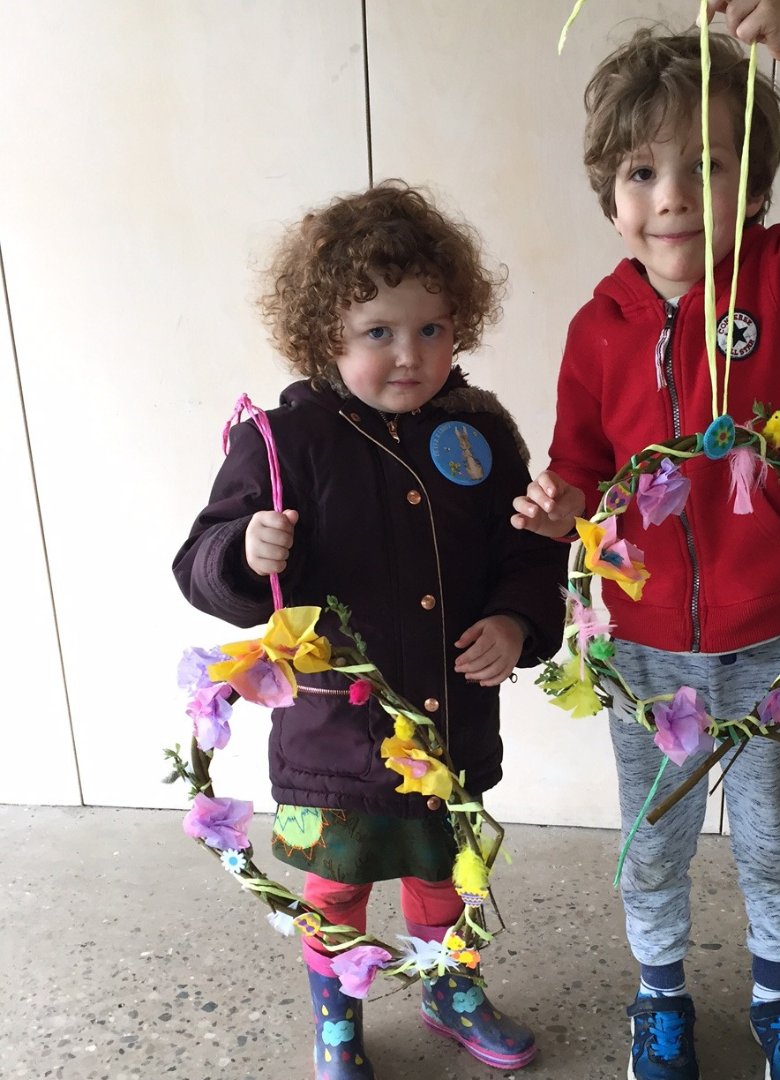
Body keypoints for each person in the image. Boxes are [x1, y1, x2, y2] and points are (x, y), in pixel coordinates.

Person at [512, 2, 780, 1078]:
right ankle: (659, 1000)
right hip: (644, 655)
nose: (671, 199)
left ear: (752, 187)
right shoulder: (595, 328)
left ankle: (777, 995)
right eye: (642, 173)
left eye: (705, 166)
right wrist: (561, 506)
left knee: (773, 845)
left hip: (776, 648)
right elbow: (580, 462)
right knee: (652, 843)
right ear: (612, 199)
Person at [174, 181, 567, 1079]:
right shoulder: (284, 442)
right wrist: (246, 548)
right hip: (332, 738)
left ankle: (448, 985)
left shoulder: (481, 432)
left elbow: (528, 555)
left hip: (448, 726)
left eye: (431, 328)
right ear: (325, 336)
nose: (409, 354)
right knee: (338, 886)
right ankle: (338, 1011)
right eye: (378, 333)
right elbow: (199, 563)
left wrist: (515, 619)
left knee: (445, 873)